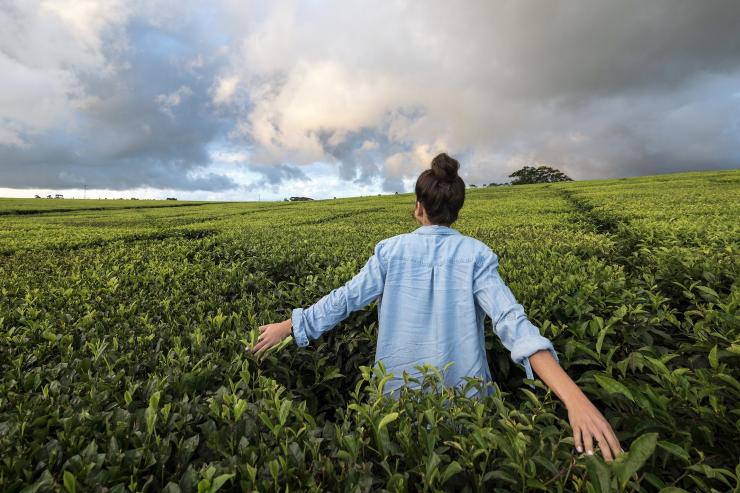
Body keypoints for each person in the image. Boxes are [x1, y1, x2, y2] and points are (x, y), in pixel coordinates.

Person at [248, 153, 623, 463]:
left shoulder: (390, 251)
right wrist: (575, 399)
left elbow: (345, 299)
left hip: (395, 407)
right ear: (456, 211)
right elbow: (515, 325)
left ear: (418, 208)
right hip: (466, 413)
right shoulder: (476, 255)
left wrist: (291, 325)